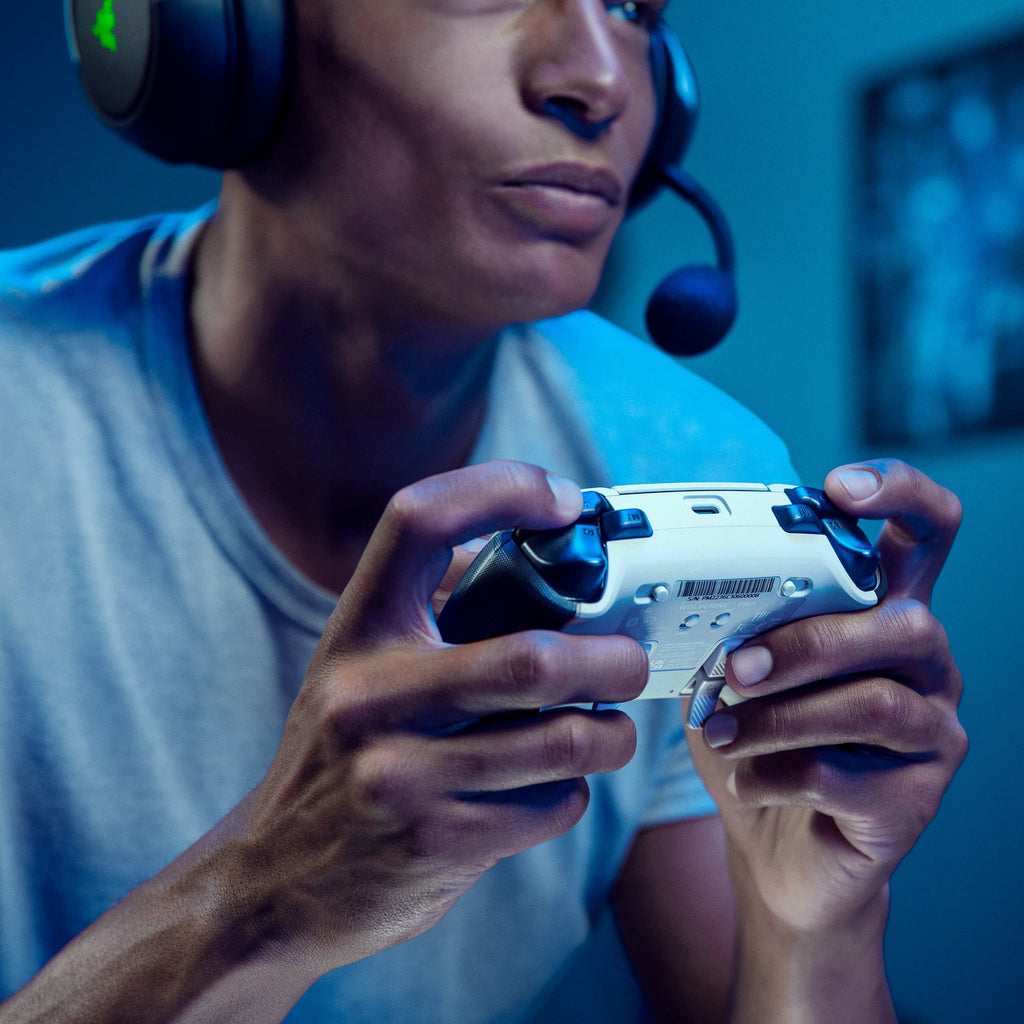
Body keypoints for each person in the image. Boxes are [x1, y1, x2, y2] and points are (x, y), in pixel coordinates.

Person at [0, 1, 966, 1021]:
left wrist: (819, 926)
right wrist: (261, 901)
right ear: (214, 25)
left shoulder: (690, 465)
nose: (599, 80)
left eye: (633, 9)